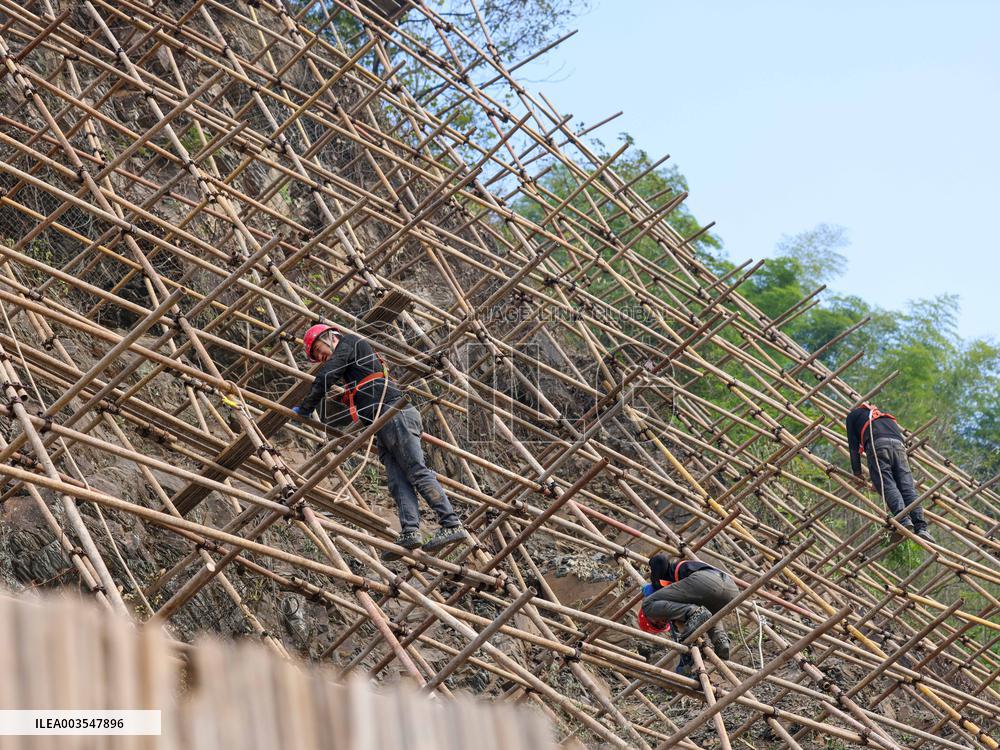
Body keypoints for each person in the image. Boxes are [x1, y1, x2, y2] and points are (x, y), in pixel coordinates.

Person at [293, 324, 467, 560]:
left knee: (415, 470)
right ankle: (410, 531)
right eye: (315, 357)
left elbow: (325, 376)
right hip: (383, 423)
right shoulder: (355, 367)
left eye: (318, 350)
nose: (320, 358)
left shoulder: (350, 343)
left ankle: (452, 524)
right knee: (397, 480)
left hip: (394, 415)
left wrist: (305, 409)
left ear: (330, 337)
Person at [845, 403, 933, 542]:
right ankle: (921, 527)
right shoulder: (882, 416)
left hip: (878, 443)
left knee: (886, 483)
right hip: (899, 446)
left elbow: (853, 447)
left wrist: (857, 471)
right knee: (906, 486)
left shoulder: (852, 416)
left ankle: (902, 520)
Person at [641, 554, 737, 676]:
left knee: (647, 605)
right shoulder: (682, 598)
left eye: (657, 622)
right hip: (732, 591)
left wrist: (655, 584)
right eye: (661, 625)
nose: (663, 621)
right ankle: (720, 640)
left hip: (706, 581)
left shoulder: (668, 576)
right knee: (709, 611)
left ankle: (693, 612)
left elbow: (659, 559)